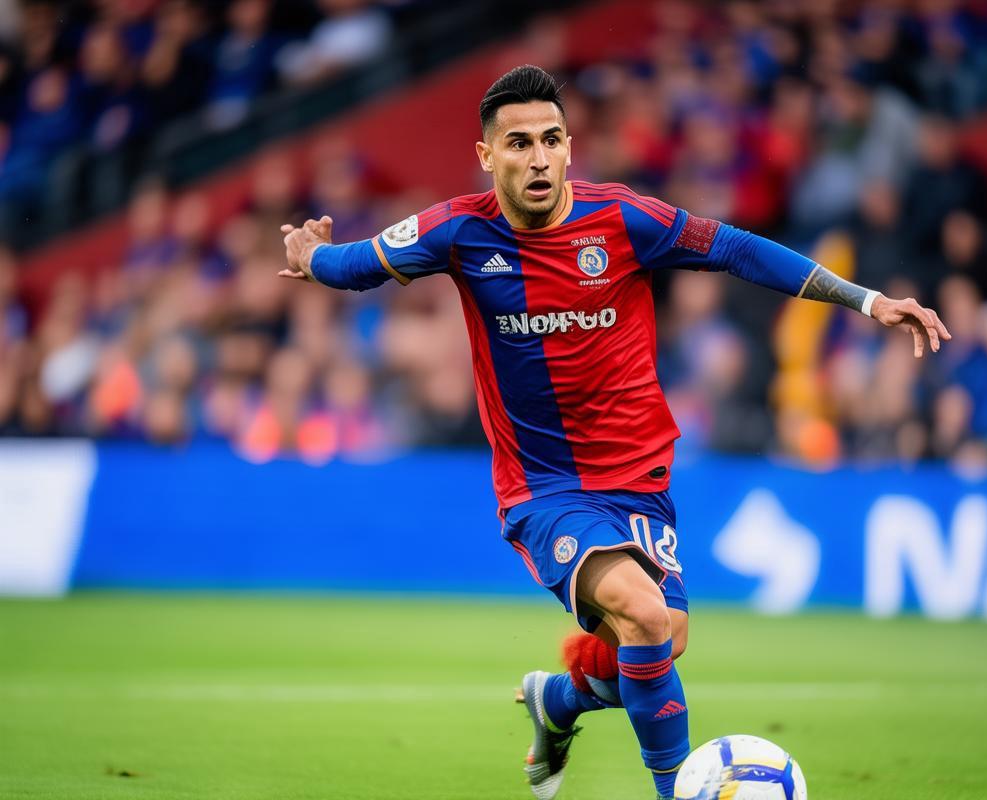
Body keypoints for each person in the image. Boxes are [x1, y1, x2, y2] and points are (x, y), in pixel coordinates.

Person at [279, 65, 950, 800]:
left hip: (640, 479)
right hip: (545, 488)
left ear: (570, 147)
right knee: (644, 611)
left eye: (552, 139)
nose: (539, 158)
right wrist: (310, 256)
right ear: (486, 155)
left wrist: (867, 300)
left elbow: (736, 249)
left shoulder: (625, 220)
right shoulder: (460, 230)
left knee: (660, 639)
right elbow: (353, 266)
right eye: (519, 144)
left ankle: (558, 701)